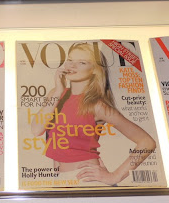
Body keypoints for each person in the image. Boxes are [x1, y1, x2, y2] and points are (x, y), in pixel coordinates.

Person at [30, 42, 156, 185]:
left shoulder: (97, 106)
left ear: (94, 70)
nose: (72, 66)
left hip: (86, 179)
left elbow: (147, 142)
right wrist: (58, 91)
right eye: (70, 60)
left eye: (82, 62)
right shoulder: (55, 94)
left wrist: (114, 177)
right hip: (60, 179)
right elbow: (36, 130)